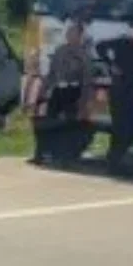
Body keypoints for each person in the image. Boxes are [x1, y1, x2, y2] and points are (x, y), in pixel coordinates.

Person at [31, 18, 94, 167]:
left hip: (74, 92)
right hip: (58, 90)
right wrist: (42, 92)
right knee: (48, 121)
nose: (69, 35)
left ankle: (67, 157)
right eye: (68, 33)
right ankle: (41, 153)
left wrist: (83, 101)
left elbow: (87, 80)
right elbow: (51, 74)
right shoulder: (60, 51)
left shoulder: (84, 55)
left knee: (70, 125)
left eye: (73, 33)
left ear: (79, 35)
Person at [97, 16, 133, 177]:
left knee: (131, 129)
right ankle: (114, 162)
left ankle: (116, 159)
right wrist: (110, 64)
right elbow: (100, 46)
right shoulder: (124, 43)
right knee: (121, 129)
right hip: (119, 92)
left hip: (130, 94)